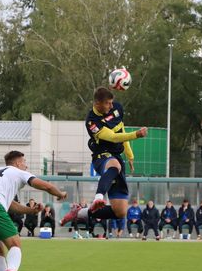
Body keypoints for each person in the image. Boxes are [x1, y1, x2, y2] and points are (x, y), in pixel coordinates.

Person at [60, 87, 147, 227]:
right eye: (108, 103)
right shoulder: (92, 122)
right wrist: (136, 134)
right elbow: (113, 137)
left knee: (120, 211)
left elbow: (121, 130)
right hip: (102, 156)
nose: (111, 106)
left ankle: (80, 212)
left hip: (117, 156)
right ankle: (98, 197)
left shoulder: (117, 108)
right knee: (114, 165)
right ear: (97, 103)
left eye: (112, 102)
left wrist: (130, 155)